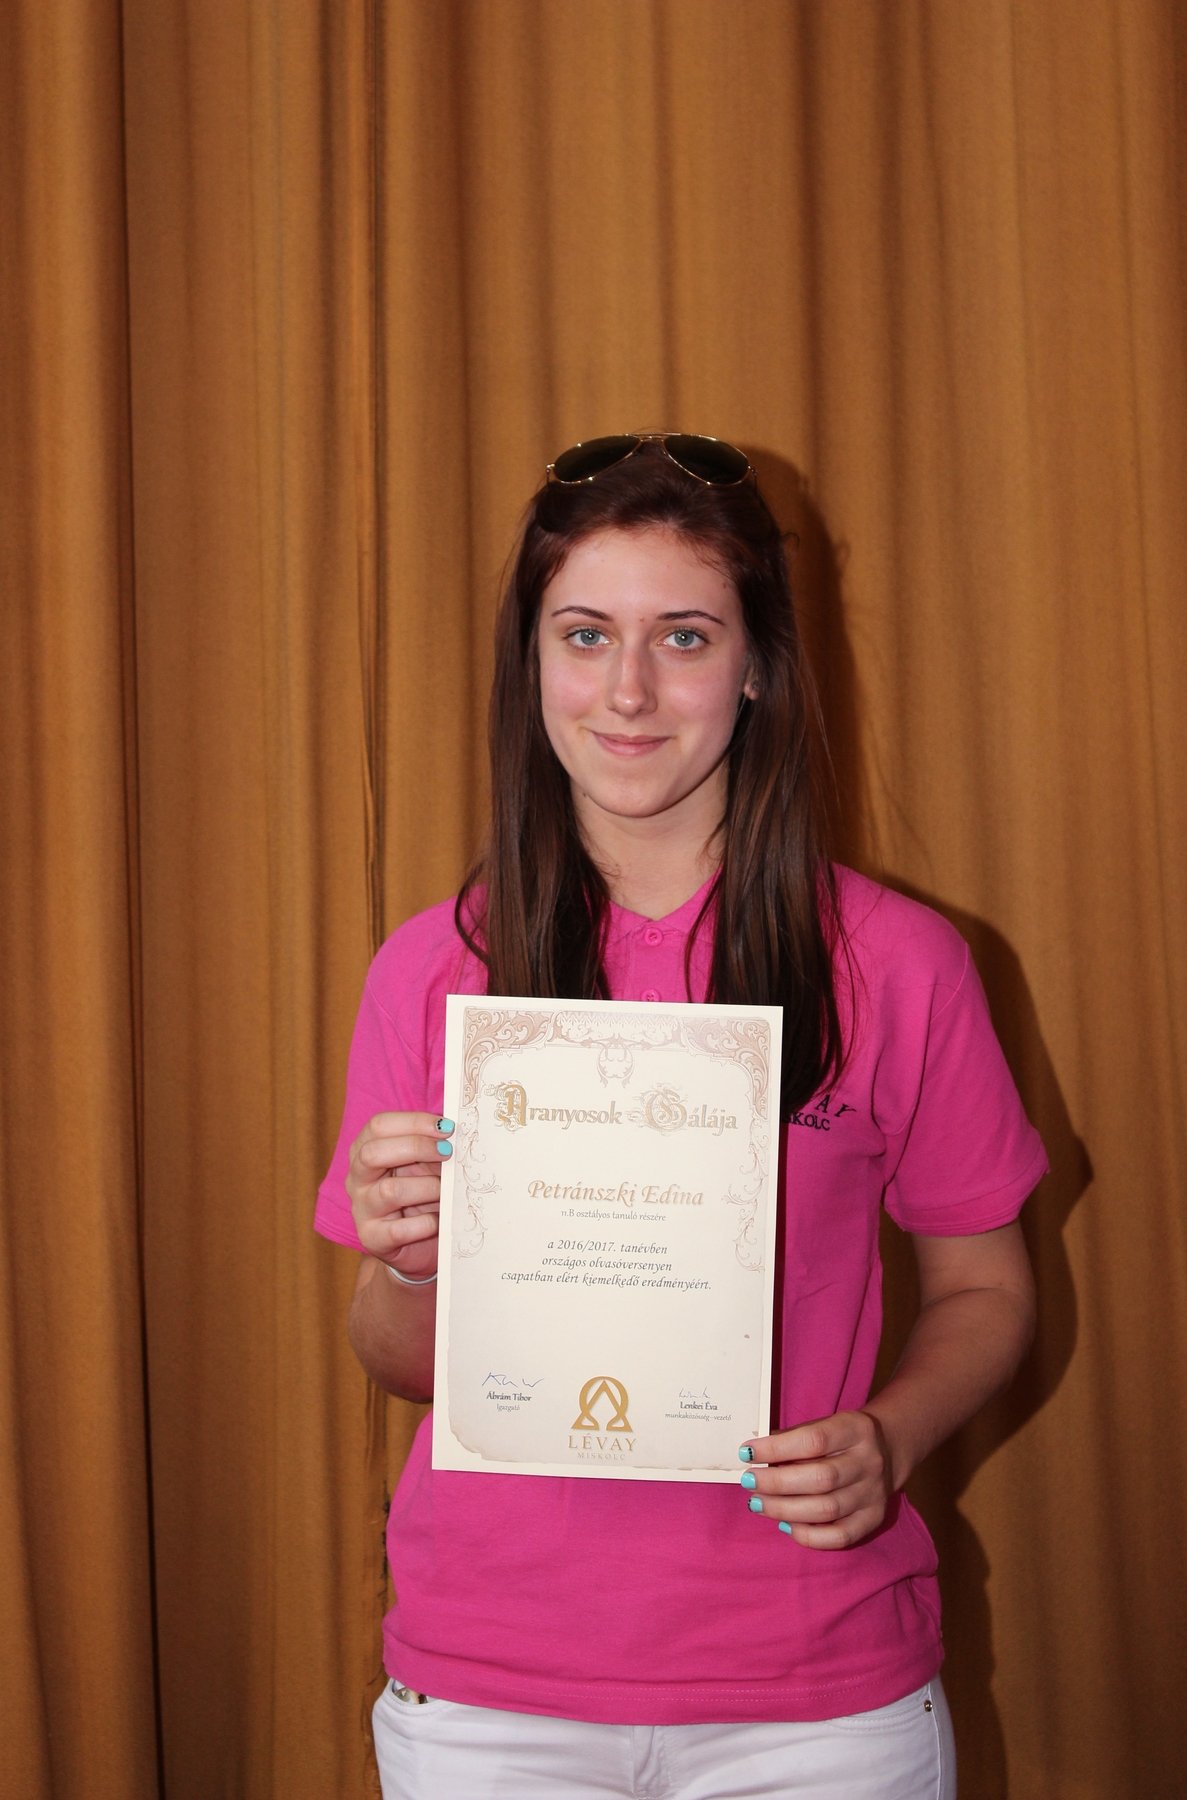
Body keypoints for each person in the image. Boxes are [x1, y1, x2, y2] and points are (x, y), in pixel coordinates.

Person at [315, 432, 1045, 1799]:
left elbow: (987, 1288)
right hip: (490, 1693)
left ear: (758, 664)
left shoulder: (900, 962)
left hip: (818, 1693)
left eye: (686, 637)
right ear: (532, 662)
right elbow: (403, 1359)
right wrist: (408, 1259)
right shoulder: (433, 967)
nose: (629, 692)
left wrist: (890, 1436)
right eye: (585, 635)